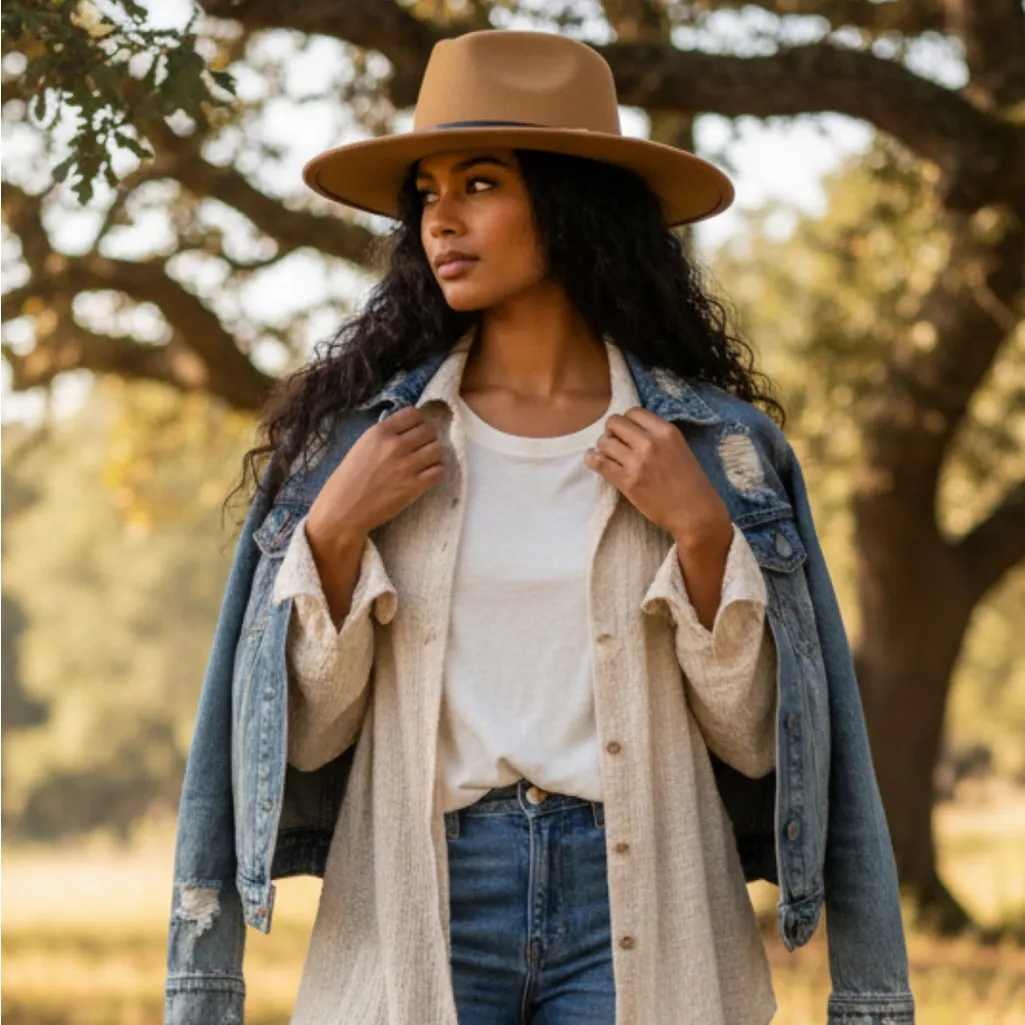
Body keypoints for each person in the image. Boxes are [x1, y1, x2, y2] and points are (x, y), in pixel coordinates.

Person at [164, 28, 915, 1025]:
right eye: (426, 192)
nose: (441, 220)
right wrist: (334, 534)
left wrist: (699, 537)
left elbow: (750, 741)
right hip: (421, 895)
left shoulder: (715, 451)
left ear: (569, 204)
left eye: (478, 184)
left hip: (640, 895)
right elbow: (303, 738)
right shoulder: (356, 447)